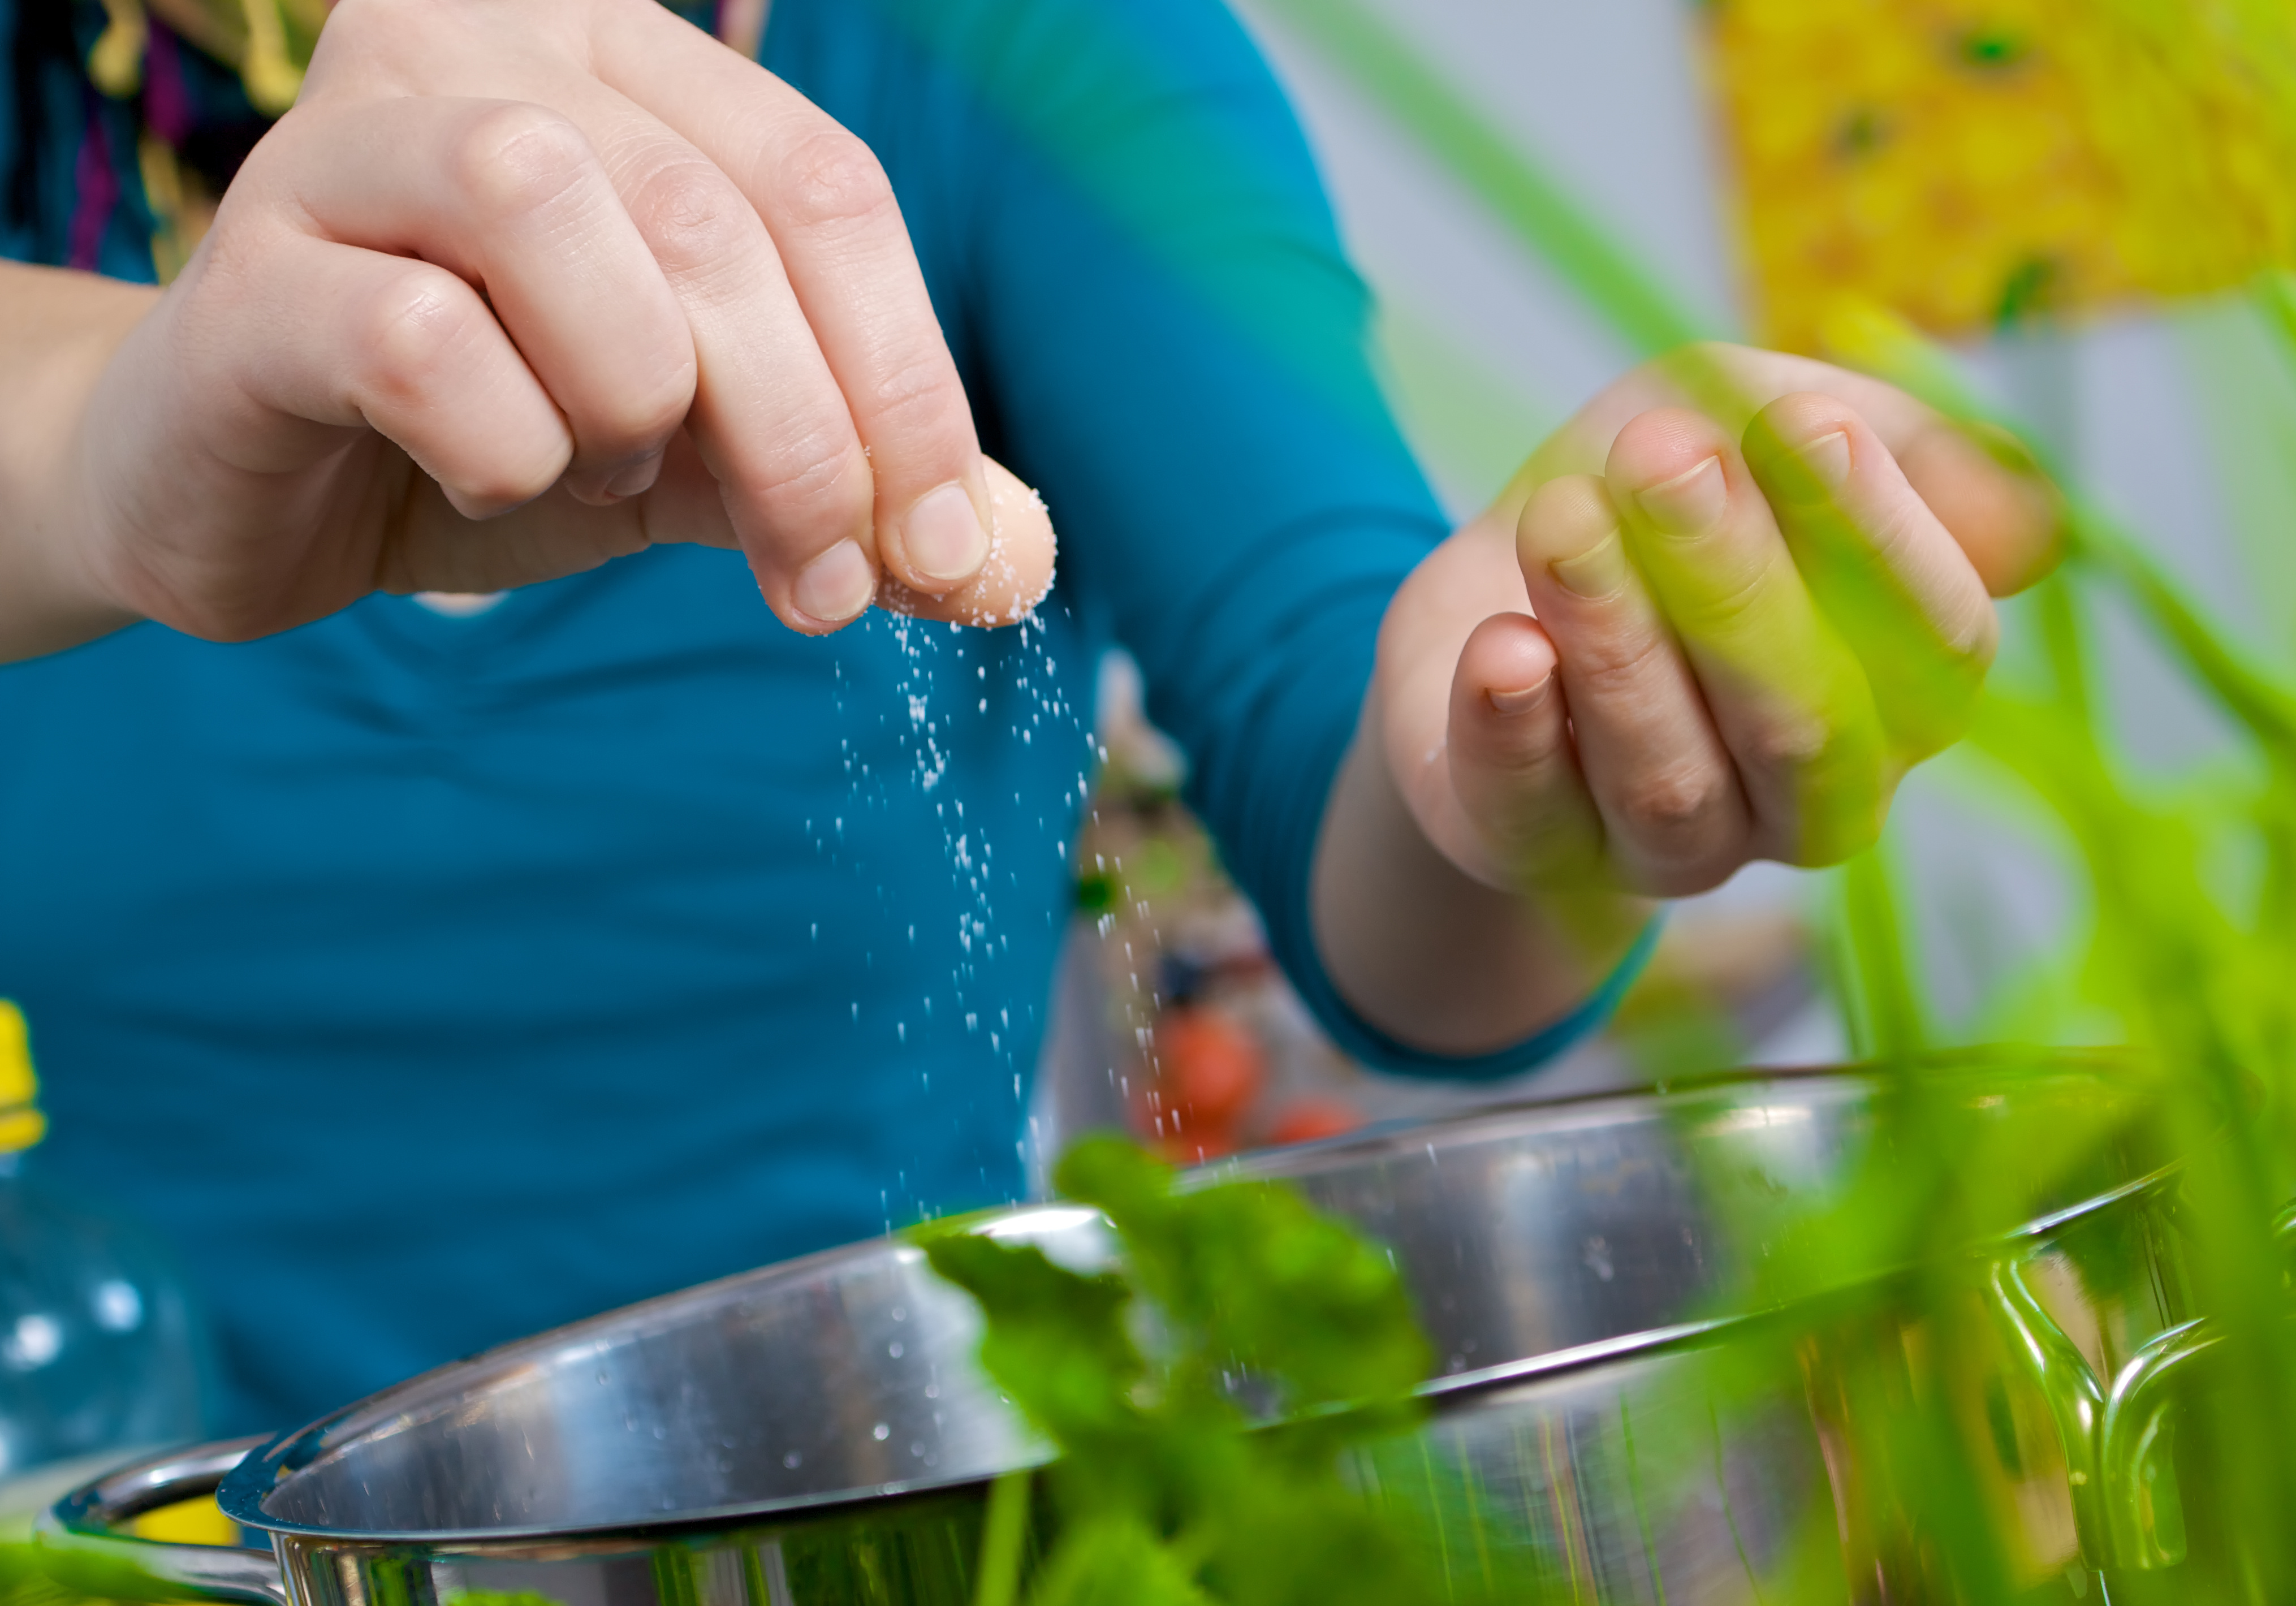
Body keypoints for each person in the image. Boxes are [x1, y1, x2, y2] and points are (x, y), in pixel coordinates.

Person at [0, 0, 2057, 1434]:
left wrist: (1537, 725)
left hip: (881, 1508)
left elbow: (1362, 789)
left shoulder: (1004, 48)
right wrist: (123, 445)